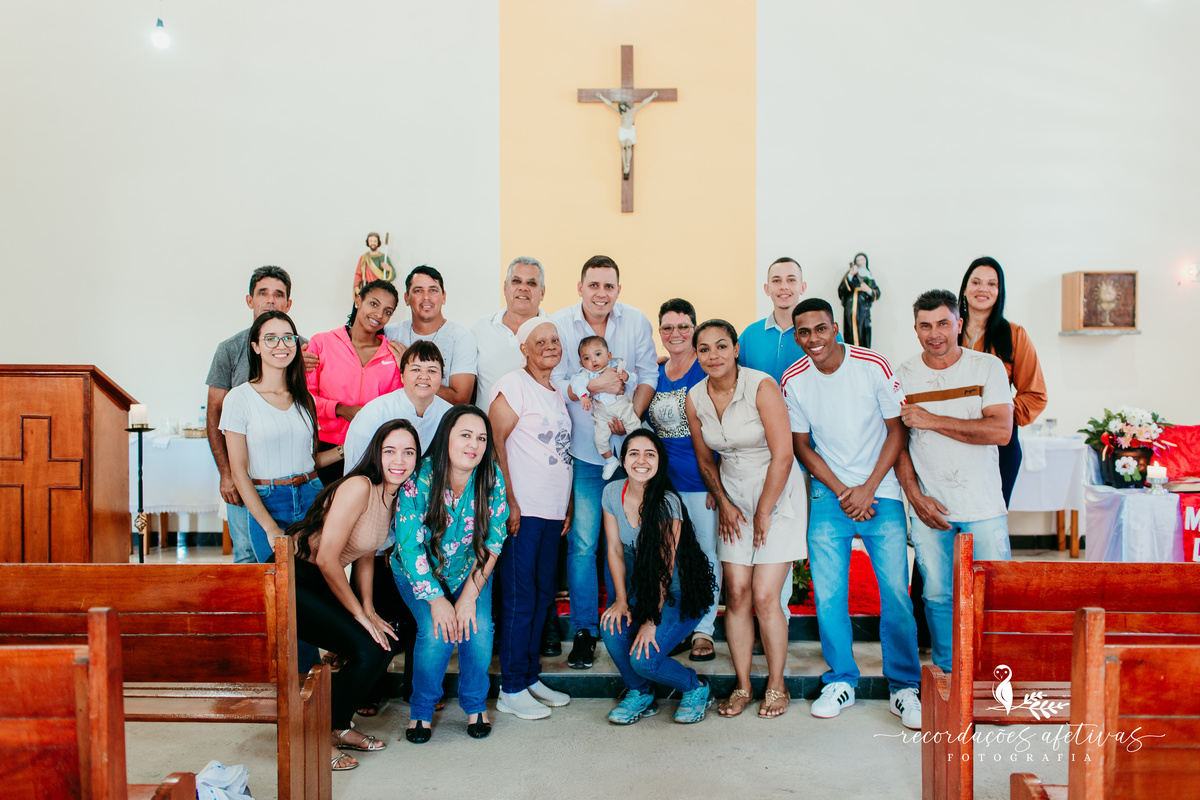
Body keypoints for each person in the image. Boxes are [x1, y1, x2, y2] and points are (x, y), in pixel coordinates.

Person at [783, 298, 922, 731]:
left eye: (820, 329)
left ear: (836, 326)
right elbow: (802, 445)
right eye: (803, 332)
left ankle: (904, 686)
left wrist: (866, 488)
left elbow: (897, 430)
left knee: (895, 592)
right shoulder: (794, 380)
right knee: (828, 595)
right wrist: (844, 490)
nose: (813, 340)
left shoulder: (872, 365)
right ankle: (841, 679)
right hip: (831, 495)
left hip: (882, 491)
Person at [685, 320, 807, 718]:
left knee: (766, 595)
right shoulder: (695, 397)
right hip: (733, 493)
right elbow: (706, 461)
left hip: (776, 490)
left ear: (736, 349)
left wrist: (764, 511)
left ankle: (776, 684)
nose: (713, 355)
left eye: (721, 346)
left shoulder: (761, 386)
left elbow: (785, 454)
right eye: (704, 349)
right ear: (697, 354)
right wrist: (724, 503)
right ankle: (742, 685)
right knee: (736, 594)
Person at [287, 419, 419, 772]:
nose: (399, 460)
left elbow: (366, 556)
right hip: (292, 577)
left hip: (318, 579)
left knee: (382, 643)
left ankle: (337, 726)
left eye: (409, 452)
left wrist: (369, 608)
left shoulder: (391, 496)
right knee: (366, 647)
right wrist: (359, 616)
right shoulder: (360, 486)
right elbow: (328, 558)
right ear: (377, 453)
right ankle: (315, 736)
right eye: (390, 450)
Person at [895, 290, 1013, 674]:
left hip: (983, 507)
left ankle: (995, 676)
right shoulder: (904, 375)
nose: (935, 333)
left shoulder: (987, 368)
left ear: (959, 324)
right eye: (925, 325)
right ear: (915, 329)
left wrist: (931, 420)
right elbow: (897, 445)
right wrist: (915, 497)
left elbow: (1000, 431)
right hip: (932, 508)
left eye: (943, 323)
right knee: (937, 596)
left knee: (994, 594)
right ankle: (948, 679)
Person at [550, 255, 659, 670]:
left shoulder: (635, 322)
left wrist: (629, 420)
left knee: (630, 539)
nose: (601, 293)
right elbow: (554, 379)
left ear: (618, 289)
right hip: (582, 449)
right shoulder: (560, 324)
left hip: (631, 456)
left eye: (609, 286)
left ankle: (630, 616)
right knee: (582, 543)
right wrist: (593, 385)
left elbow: (649, 374)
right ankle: (584, 630)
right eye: (593, 285)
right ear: (580, 287)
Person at [340, 340, 452, 715]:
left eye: (432, 370)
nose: (424, 377)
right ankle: (368, 688)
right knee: (379, 610)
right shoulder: (376, 414)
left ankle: (415, 690)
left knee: (414, 617)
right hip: (376, 524)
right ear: (402, 374)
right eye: (416, 369)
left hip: (421, 530)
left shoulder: (447, 415)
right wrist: (373, 530)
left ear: (442, 377)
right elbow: (354, 474)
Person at [392, 406, 509, 743]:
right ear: (446, 437)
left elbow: (494, 539)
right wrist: (437, 600)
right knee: (435, 629)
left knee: (479, 627)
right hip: (419, 573)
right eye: (466, 435)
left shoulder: (491, 477)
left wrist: (469, 596)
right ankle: (422, 711)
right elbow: (410, 547)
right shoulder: (419, 479)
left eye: (482, 438)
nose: (474, 444)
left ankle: (475, 706)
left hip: (470, 571)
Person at [738, 256, 836, 619]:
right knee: (765, 523)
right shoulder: (749, 336)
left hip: (806, 444)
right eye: (776, 280)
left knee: (800, 523)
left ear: (802, 287)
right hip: (759, 447)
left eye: (791, 279)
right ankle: (768, 608)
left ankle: (791, 596)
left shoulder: (820, 334)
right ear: (766, 289)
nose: (784, 286)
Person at [599, 430, 717, 725]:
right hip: (642, 589)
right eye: (634, 453)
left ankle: (695, 687)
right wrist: (622, 602)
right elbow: (614, 549)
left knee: (644, 659)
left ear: (659, 461)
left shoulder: (667, 503)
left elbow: (665, 570)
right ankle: (641, 692)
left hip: (679, 594)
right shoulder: (612, 493)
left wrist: (651, 621)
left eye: (649, 454)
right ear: (623, 461)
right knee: (612, 626)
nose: (641, 460)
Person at [488, 318, 574, 720]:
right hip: (524, 510)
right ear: (524, 348)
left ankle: (530, 675)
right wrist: (508, 499)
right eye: (540, 341)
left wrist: (568, 504)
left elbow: (562, 452)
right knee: (520, 597)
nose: (549, 346)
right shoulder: (512, 385)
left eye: (555, 340)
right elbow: (495, 444)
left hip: (553, 511)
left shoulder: (556, 392)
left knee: (542, 596)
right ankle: (511, 686)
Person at [220, 310, 339, 563]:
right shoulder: (239, 399)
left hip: (311, 495)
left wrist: (345, 449)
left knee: (314, 586)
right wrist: (269, 527)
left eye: (288, 338)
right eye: (271, 338)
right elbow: (239, 473)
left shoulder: (303, 398)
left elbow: (308, 460)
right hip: (268, 500)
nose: (281, 345)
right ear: (256, 346)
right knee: (278, 588)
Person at [644, 298, 720, 662]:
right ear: (660, 332)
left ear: (694, 328)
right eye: (668, 327)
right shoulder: (655, 373)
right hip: (663, 485)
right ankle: (676, 627)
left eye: (683, 326)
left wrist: (716, 483)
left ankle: (704, 630)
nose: (675, 333)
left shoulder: (707, 370)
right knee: (669, 559)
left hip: (700, 482)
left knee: (705, 556)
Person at [206, 266, 298, 563]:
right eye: (263, 293)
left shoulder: (299, 349)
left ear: (288, 304)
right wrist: (226, 473)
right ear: (250, 300)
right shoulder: (230, 350)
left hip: (290, 482)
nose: (270, 300)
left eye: (278, 294)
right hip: (245, 474)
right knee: (247, 556)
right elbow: (214, 414)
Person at [957, 256, 1047, 506]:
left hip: (998, 446)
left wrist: (999, 415)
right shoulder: (946, 332)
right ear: (965, 288)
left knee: (988, 520)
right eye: (976, 282)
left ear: (999, 291)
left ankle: (987, 548)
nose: (983, 289)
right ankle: (962, 548)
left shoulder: (1014, 334)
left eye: (991, 284)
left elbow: (1035, 394)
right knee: (957, 520)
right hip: (951, 440)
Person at [305, 279, 403, 486]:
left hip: (371, 450)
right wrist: (340, 409)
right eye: (374, 304)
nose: (379, 315)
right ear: (358, 301)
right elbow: (305, 397)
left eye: (387, 311)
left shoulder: (392, 354)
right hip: (325, 448)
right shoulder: (321, 343)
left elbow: (395, 405)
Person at [384, 265, 478, 406]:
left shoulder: (461, 338)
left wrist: (407, 364)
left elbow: (460, 400)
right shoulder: (390, 333)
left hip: (442, 424)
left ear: (443, 297)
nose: (426, 297)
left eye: (433, 290)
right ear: (406, 298)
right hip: (395, 420)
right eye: (418, 290)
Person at [471, 256, 551, 415]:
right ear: (505, 287)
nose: (523, 288)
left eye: (531, 283)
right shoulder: (479, 329)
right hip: (487, 435)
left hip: (538, 436)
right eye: (516, 281)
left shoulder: (555, 333)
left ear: (542, 293)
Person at [570, 335, 643, 480]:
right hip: (601, 414)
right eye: (587, 358)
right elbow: (576, 384)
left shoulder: (616, 368)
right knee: (599, 440)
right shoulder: (585, 374)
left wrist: (626, 377)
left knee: (635, 429)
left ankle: (638, 454)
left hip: (621, 407)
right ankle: (610, 461)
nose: (593, 360)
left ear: (608, 355)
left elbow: (634, 382)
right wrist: (583, 396)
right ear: (581, 362)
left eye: (597, 354)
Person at [595, 90, 658, 177]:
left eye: (623, 106)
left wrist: (652, 96)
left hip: (629, 131)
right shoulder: (621, 113)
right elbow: (610, 104)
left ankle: (627, 163)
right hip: (622, 131)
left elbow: (643, 103)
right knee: (624, 148)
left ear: (626, 105)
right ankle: (625, 166)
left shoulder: (632, 111)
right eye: (620, 107)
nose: (622, 108)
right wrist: (601, 97)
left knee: (628, 146)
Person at [838, 252, 881, 348]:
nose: (860, 262)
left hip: (863, 309)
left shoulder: (869, 275)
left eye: (862, 260)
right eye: (858, 260)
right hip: (851, 307)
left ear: (866, 261)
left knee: (864, 331)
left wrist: (868, 290)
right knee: (851, 331)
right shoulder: (852, 274)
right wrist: (850, 274)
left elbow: (877, 293)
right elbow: (841, 289)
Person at [353, 232, 395, 299]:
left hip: (379, 289)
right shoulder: (364, 258)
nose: (373, 243)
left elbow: (393, 275)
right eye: (371, 241)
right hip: (366, 289)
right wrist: (356, 287)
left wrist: (388, 269)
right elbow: (358, 274)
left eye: (375, 241)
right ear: (368, 242)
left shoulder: (383, 258)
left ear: (378, 242)